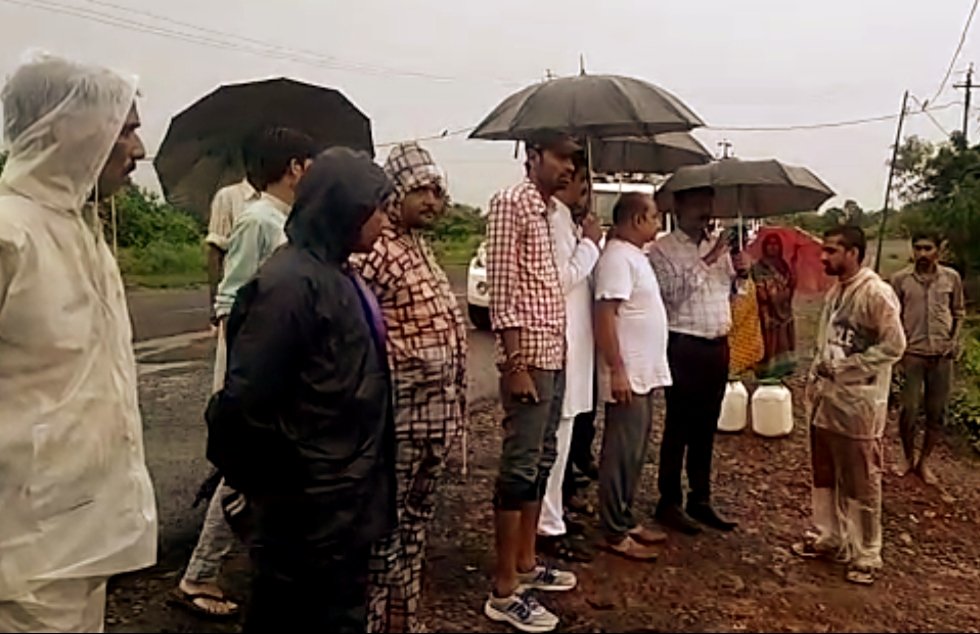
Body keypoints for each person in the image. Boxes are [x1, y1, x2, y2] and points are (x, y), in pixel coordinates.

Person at [205, 147, 396, 632]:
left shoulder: (339, 274)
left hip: (345, 504)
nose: (383, 220)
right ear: (342, 208)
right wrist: (272, 491)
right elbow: (243, 404)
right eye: (375, 208)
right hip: (307, 512)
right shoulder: (288, 285)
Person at [0, 52, 158, 632]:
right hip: (20, 559)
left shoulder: (79, 230)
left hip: (83, 546)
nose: (138, 151)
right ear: (69, 128)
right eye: (128, 129)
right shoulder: (9, 234)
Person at [174, 126, 316, 619]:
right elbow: (234, 298)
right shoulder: (258, 220)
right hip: (251, 366)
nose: (313, 171)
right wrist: (243, 378)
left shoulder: (286, 219)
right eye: (309, 162)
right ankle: (199, 575)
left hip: (270, 365)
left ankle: (220, 567)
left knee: (250, 470)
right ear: (295, 167)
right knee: (243, 470)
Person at [353, 142, 468, 633]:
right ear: (394, 191)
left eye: (436, 191)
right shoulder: (372, 251)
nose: (432, 201)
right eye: (419, 189)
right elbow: (359, 334)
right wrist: (418, 361)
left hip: (434, 425)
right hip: (397, 424)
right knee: (383, 536)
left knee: (415, 532)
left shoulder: (421, 247)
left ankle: (405, 621)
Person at [483, 131, 580, 633]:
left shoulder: (545, 211)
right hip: (530, 359)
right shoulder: (510, 204)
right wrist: (515, 363)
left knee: (542, 457)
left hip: (553, 352)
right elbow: (503, 291)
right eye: (562, 158)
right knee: (519, 465)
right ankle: (503, 589)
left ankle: (525, 563)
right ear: (534, 155)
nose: (569, 168)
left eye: (573, 160)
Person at [792, 225, 905, 587]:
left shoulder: (876, 294)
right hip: (826, 402)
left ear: (854, 253)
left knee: (861, 480)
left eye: (832, 251)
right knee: (825, 475)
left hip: (858, 405)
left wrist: (845, 368)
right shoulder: (836, 292)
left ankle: (867, 552)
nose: (823, 257)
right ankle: (831, 536)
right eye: (824, 250)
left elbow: (894, 346)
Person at [648, 187, 748, 535]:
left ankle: (700, 498)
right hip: (684, 344)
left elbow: (732, 294)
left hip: (717, 343)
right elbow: (671, 296)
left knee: (707, 426)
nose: (705, 211)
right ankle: (669, 501)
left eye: (709, 204)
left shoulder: (720, 246)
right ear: (678, 206)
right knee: (679, 425)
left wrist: (740, 272)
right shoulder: (661, 249)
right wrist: (709, 258)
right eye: (697, 204)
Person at [594, 193, 672, 561]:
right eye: (655, 216)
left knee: (637, 451)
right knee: (620, 453)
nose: (658, 223)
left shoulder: (633, 256)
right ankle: (613, 530)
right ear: (638, 219)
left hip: (644, 372)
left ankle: (624, 518)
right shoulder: (616, 258)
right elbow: (605, 316)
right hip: (628, 374)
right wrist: (617, 370)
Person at [535, 152, 602, 564]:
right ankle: (546, 525)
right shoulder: (552, 220)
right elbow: (558, 280)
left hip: (579, 346)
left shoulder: (567, 222)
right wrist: (591, 245)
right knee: (554, 445)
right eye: (584, 185)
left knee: (564, 440)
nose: (586, 194)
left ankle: (555, 514)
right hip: (562, 346)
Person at [891, 231, 965, 485]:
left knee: (937, 413)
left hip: (942, 356)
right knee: (908, 410)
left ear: (938, 250)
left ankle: (924, 463)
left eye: (928, 248)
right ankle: (907, 458)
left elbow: (958, 313)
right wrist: (896, 350)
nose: (922, 254)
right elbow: (892, 317)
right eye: (918, 248)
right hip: (911, 354)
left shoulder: (951, 278)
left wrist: (954, 341)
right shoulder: (901, 279)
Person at [753, 233, 797, 377]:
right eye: (770, 244)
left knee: (784, 342)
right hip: (767, 312)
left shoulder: (783, 265)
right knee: (769, 343)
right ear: (765, 247)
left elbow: (790, 287)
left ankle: (783, 372)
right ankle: (766, 373)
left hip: (784, 311)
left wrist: (794, 266)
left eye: (776, 244)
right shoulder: (759, 267)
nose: (773, 247)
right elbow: (761, 292)